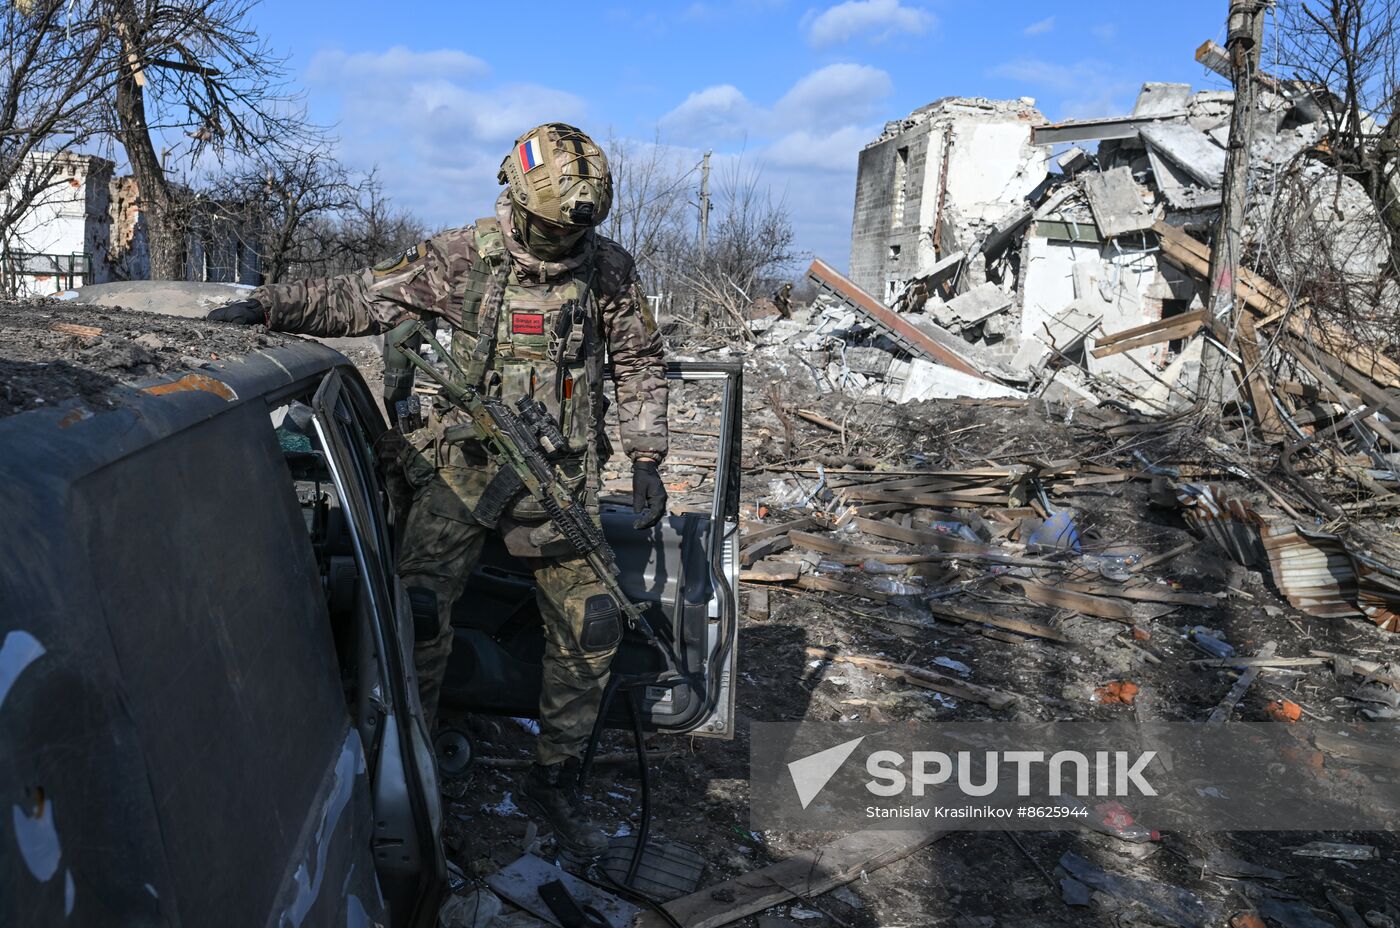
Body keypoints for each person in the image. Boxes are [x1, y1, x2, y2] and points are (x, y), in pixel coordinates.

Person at [207, 123, 669, 856]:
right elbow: (359, 299)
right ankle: (413, 767)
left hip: (561, 479)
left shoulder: (607, 267)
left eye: (572, 232)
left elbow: (640, 359)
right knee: (417, 616)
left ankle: (557, 779)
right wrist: (268, 305)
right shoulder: (461, 258)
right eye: (550, 228)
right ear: (518, 202)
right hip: (467, 468)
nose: (561, 243)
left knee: (592, 625)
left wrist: (647, 455)